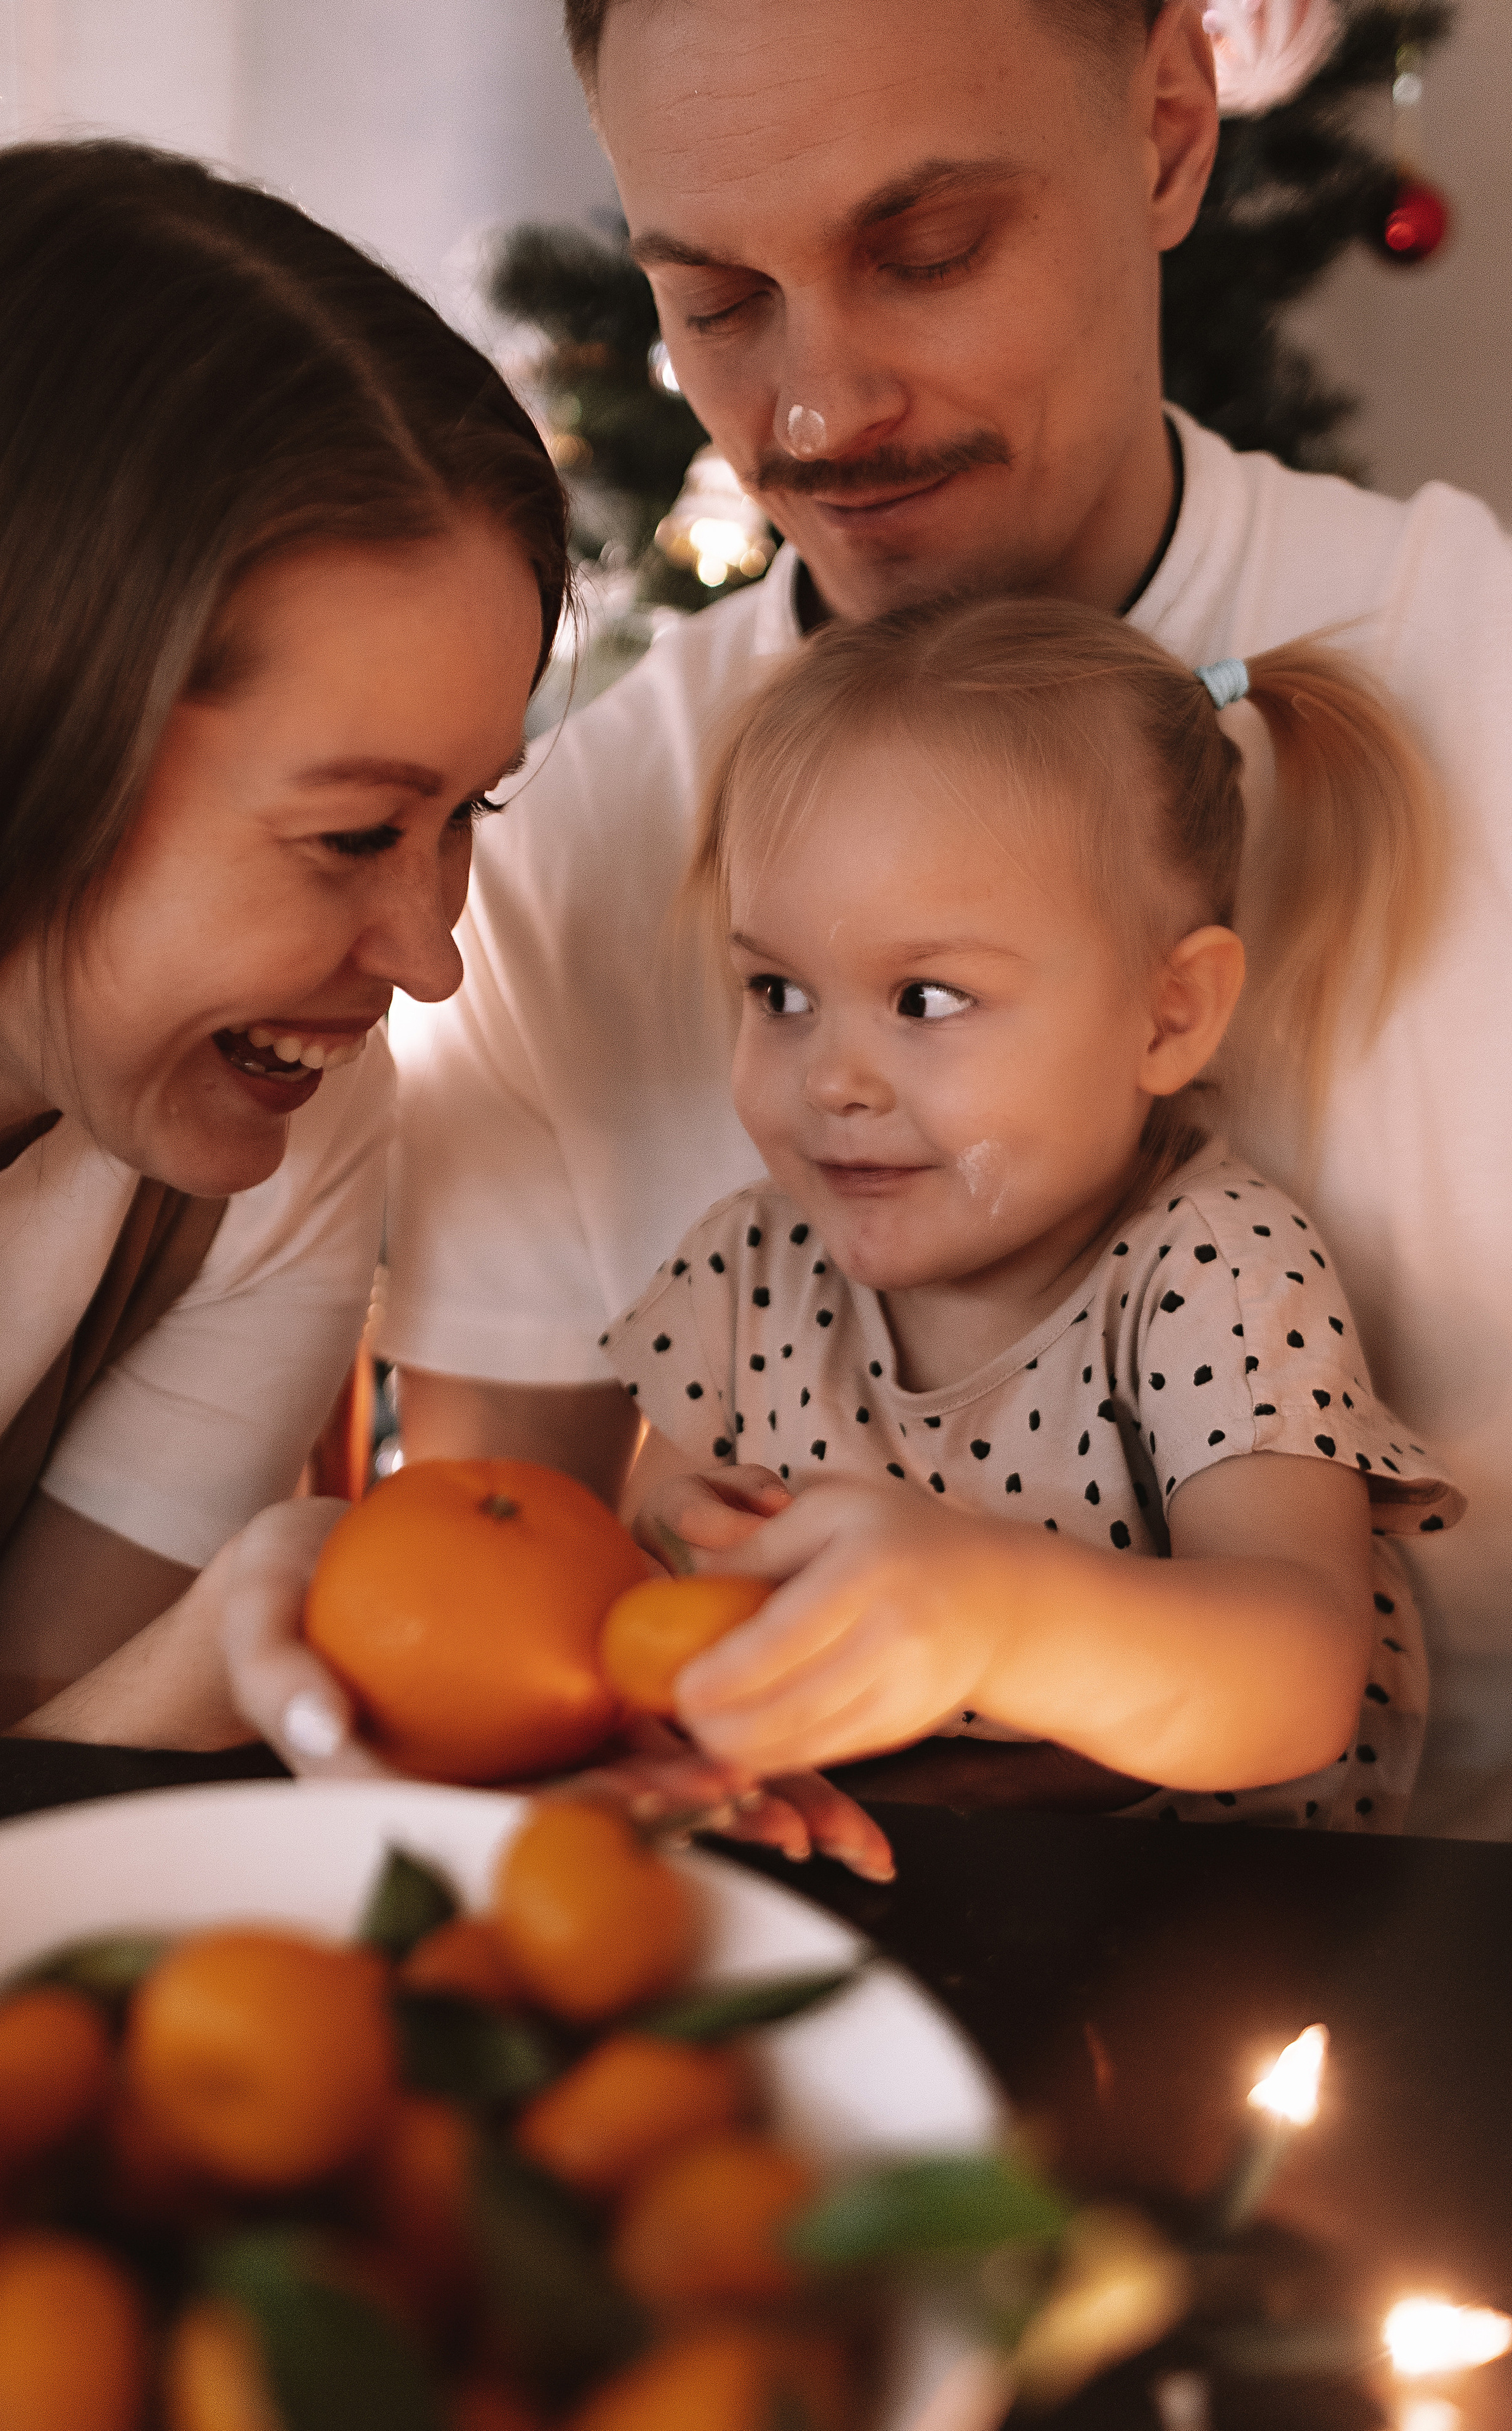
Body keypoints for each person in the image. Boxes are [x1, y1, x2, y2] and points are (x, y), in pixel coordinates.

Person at [378, 0, 1512, 1840]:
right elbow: (502, 1621)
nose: (816, 415)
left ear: (1168, 126)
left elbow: (1294, 1661)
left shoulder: (1478, 679)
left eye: (927, 252)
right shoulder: (565, 857)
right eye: (716, 302)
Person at [0, 140, 566, 1746]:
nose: (429, 959)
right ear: (7, 736)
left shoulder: (277, 1126)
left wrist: (229, 1632)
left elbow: (16, 1808)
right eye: (354, 833)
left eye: (468, 810)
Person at [604, 594, 1461, 1829]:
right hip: (851, 1887)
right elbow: (646, 1565)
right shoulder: (747, 1270)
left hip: (1201, 1913)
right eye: (778, 992)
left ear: (1168, 1015)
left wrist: (996, 1613)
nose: (832, 1079)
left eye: (926, 999)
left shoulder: (1213, 1269)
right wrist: (676, 1571)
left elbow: (1303, 1671)